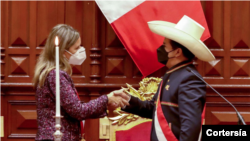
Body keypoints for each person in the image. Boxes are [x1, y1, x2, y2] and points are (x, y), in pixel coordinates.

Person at [116, 15, 215, 141]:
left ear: (177, 52)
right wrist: (127, 100)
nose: (160, 49)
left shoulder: (190, 79)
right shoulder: (172, 74)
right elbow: (154, 109)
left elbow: (190, 128)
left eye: (164, 46)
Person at [33, 24, 129, 141]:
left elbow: (70, 107)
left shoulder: (50, 72)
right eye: (76, 48)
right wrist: (107, 99)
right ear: (63, 51)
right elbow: (77, 110)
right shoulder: (56, 75)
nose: (81, 51)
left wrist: (106, 102)